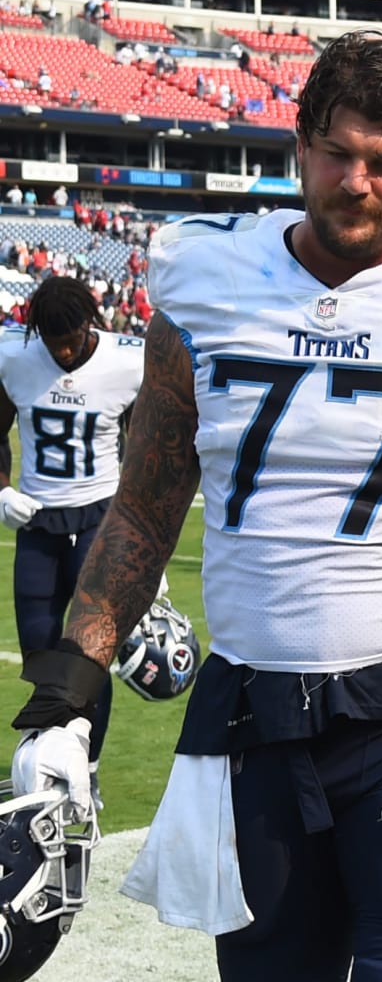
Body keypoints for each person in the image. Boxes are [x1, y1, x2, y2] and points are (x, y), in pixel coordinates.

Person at [8, 31, 382, 982]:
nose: (360, 183)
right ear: (301, 143)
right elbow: (146, 508)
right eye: (341, 154)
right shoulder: (205, 278)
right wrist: (70, 691)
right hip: (252, 716)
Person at [0, 276, 145, 810]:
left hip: (101, 517)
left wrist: (137, 526)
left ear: (91, 322)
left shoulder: (128, 361)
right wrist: (3, 491)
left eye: (71, 337)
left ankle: (89, 764)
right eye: (51, 340)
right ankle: (49, 760)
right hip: (38, 519)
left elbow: (147, 442)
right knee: (41, 653)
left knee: (87, 655)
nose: (62, 350)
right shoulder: (14, 356)